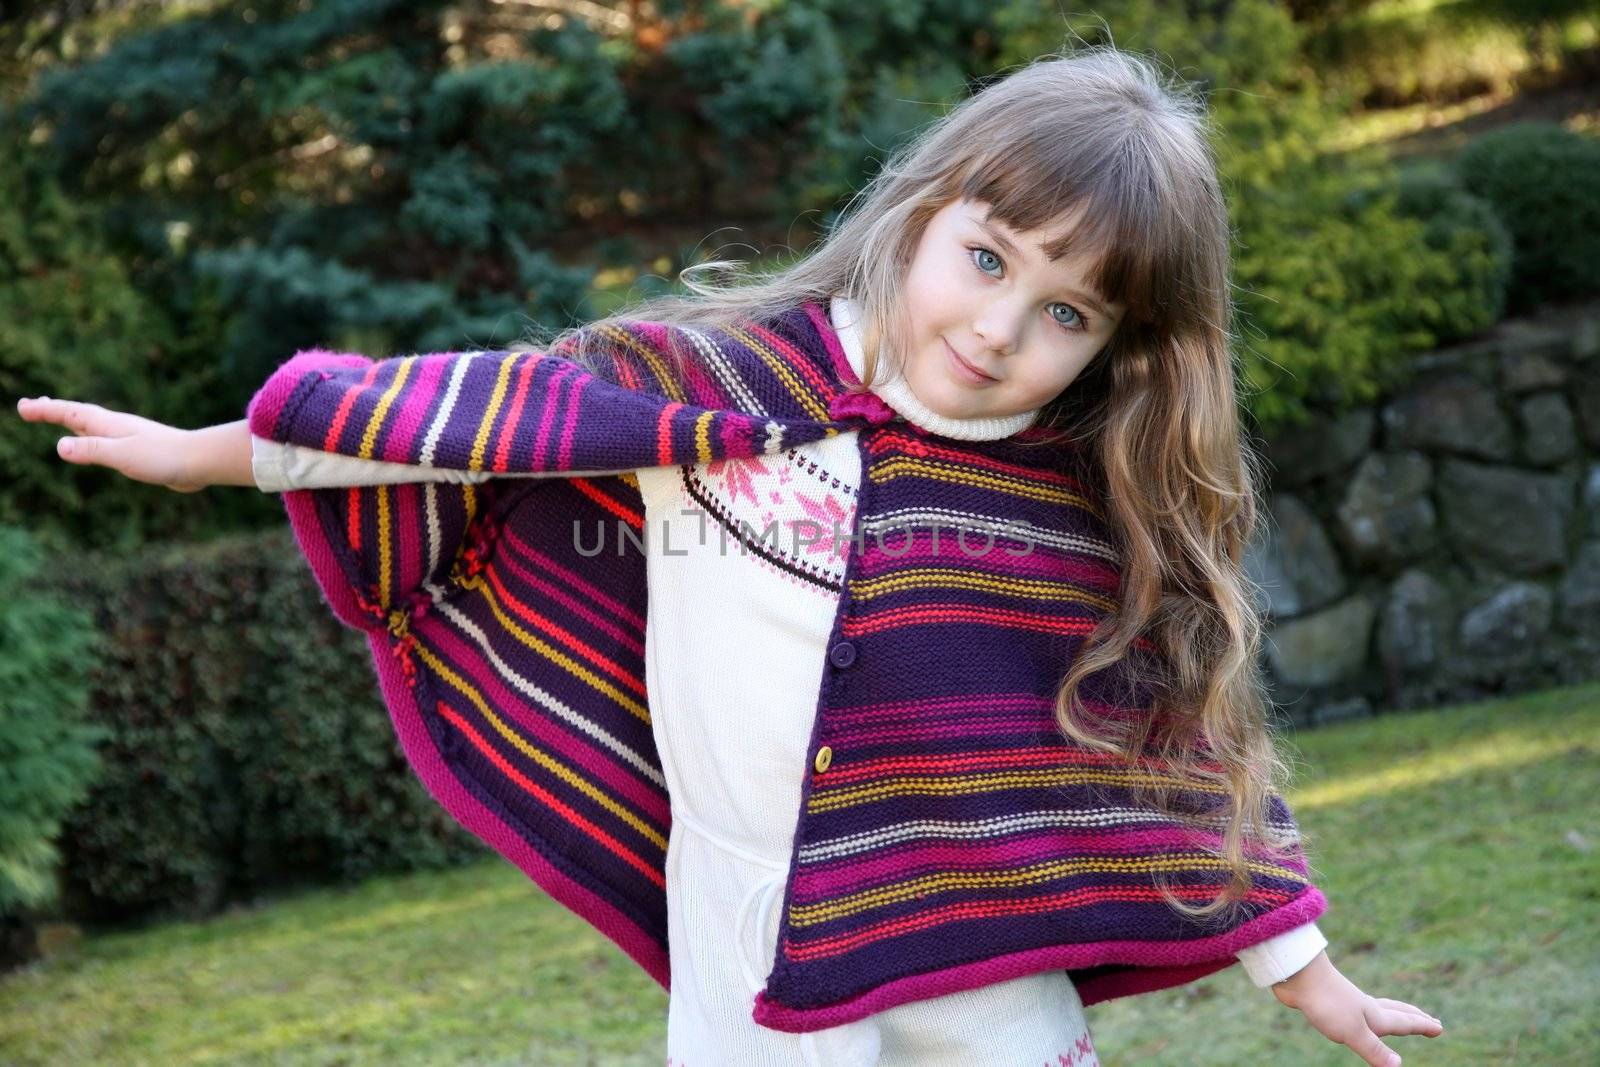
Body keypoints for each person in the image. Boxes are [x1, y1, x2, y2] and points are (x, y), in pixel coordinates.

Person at [16, 47, 1445, 1067]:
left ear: (1119, 348)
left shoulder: (1061, 505)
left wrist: (1297, 965)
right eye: (992, 257)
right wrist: (207, 447)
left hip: (977, 954)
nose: (1004, 329)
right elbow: (455, 424)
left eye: (1070, 315)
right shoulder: (706, 387)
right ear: (922, 207)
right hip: (740, 942)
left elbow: (1172, 744)